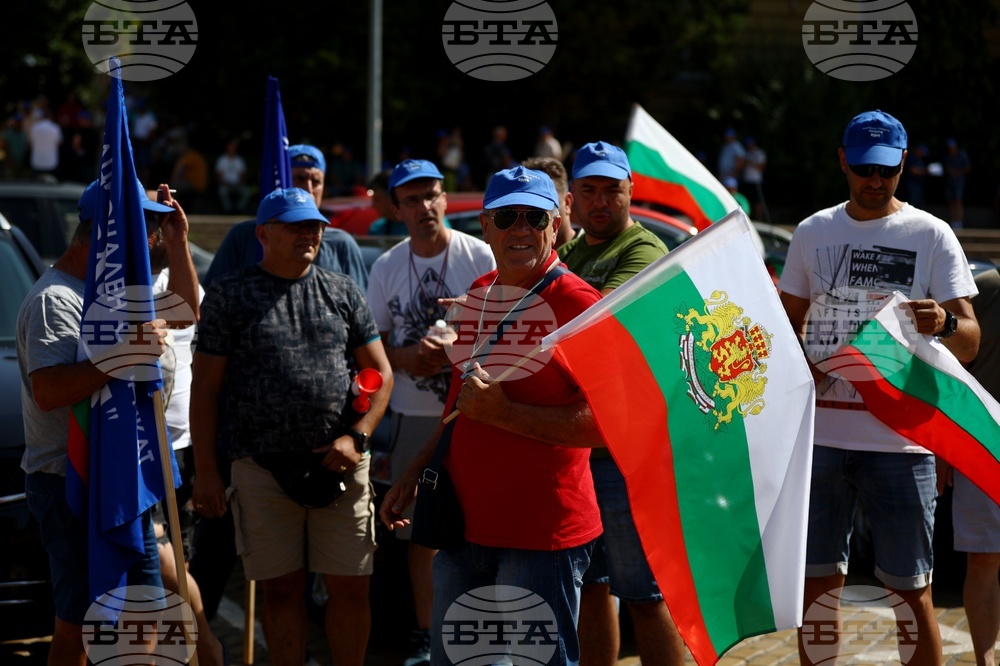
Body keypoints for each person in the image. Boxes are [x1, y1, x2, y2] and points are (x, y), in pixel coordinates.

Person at [778, 109, 980, 666]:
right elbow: (784, 325)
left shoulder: (931, 233)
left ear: (904, 164)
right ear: (842, 161)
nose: (874, 180)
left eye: (886, 170)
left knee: (913, 595)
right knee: (817, 593)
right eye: (864, 167)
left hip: (902, 442)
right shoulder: (814, 231)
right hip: (820, 439)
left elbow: (970, 342)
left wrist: (943, 322)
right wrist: (806, 358)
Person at [381, 166, 604, 665]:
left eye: (534, 217)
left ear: (554, 224)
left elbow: (606, 425)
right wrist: (416, 471)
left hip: (541, 538)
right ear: (485, 226)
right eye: (507, 217)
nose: (521, 229)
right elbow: (460, 404)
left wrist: (506, 414)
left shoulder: (578, 304)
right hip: (464, 530)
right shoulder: (480, 293)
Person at [191, 187, 393, 666]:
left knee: (350, 588)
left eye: (315, 225)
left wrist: (358, 436)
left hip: (341, 464)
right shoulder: (229, 294)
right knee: (281, 592)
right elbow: (206, 390)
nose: (309, 233)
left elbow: (382, 374)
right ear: (263, 233)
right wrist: (206, 470)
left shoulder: (342, 289)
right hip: (260, 469)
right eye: (295, 224)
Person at [16, 179, 200, 666]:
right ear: (108, 237)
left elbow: (186, 308)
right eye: (147, 229)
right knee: (79, 630)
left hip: (121, 480)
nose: (154, 239)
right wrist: (127, 354)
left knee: (141, 617)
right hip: (70, 484)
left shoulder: (114, 290)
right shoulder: (56, 299)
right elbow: (50, 391)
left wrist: (179, 241)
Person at [558, 141, 684, 666]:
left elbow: (594, 330)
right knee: (592, 588)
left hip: (627, 457)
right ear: (571, 201)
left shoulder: (643, 251)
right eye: (589, 190)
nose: (601, 201)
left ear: (632, 191)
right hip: (579, 449)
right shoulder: (571, 254)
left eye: (613, 189)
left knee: (645, 597)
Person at [366, 158, 495, 665]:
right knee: (421, 534)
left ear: (446, 199)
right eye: (414, 199)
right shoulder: (387, 266)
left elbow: (506, 329)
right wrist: (408, 357)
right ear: (396, 208)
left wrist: (457, 349)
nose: (426, 207)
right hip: (414, 412)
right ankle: (427, 634)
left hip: (476, 408)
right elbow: (372, 344)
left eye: (434, 195)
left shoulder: (478, 254)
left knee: (481, 528)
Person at [937, 267, 1000, 666]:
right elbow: (950, 363)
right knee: (984, 558)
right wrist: (945, 442)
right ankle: (986, 660)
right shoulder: (987, 288)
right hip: (984, 436)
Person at [204, 143, 369, 290]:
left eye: (316, 181)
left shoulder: (341, 245)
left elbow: (362, 311)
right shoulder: (243, 237)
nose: (308, 188)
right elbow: (209, 303)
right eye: (299, 178)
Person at [522, 155, 576, 248]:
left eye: (547, 204)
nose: (536, 215)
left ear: (567, 203)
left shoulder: (595, 253)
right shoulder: (519, 256)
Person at [214, 138, 250, 214]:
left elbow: (244, 175)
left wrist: (240, 184)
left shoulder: (239, 160)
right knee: (222, 192)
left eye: (233, 148)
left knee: (246, 192)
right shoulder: (222, 160)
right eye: (230, 147)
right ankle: (228, 210)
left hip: (238, 184)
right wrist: (224, 183)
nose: (232, 149)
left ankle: (239, 210)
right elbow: (218, 175)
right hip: (225, 184)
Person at [944, 138, 971, 228]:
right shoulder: (947, 156)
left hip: (959, 182)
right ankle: (953, 221)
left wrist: (957, 172)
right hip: (950, 182)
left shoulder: (962, 155)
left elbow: (967, 168)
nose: (951, 149)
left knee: (958, 201)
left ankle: (959, 221)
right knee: (951, 201)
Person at [27, 108, 62, 177]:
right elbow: (59, 143)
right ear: (50, 117)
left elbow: (29, 143)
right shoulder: (55, 128)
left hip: (37, 161)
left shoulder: (34, 127)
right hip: (51, 162)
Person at [741, 136, 767, 221]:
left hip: (756, 181)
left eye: (750, 144)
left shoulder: (759, 153)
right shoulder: (746, 153)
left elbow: (762, 167)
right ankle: (749, 219)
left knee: (758, 202)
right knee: (748, 201)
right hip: (747, 181)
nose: (749, 146)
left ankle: (760, 219)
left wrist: (750, 162)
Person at [905, 143, 929, 210]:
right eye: (922, 152)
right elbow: (913, 170)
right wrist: (925, 171)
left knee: (919, 204)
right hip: (912, 185)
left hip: (919, 185)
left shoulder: (921, 159)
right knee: (913, 204)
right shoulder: (912, 158)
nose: (923, 154)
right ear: (918, 150)